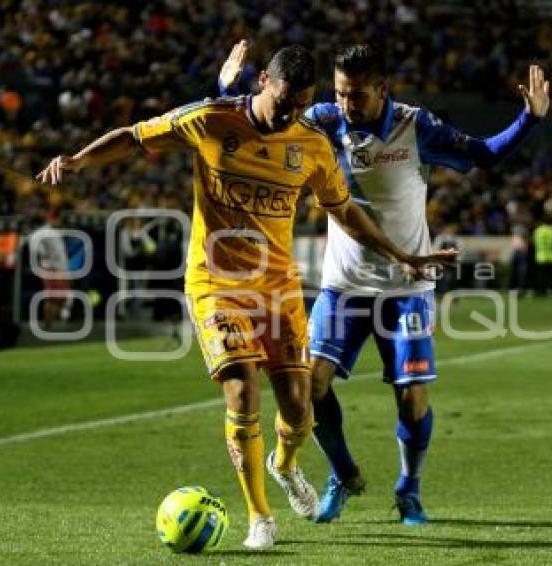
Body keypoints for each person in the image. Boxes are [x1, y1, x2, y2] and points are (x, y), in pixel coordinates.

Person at [36, 45, 453, 549]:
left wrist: (402, 255)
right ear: (261, 83)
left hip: (276, 286)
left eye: (300, 105)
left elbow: (346, 213)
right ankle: (261, 518)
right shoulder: (212, 120)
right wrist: (78, 160)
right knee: (242, 391)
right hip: (216, 283)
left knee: (300, 407)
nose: (289, 114)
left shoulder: (312, 144)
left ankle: (286, 462)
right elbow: (134, 137)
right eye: (282, 102)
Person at [219, 41, 549, 524]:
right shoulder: (324, 121)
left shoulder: (418, 127)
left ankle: (408, 489)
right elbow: (258, 122)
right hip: (343, 286)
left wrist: (530, 120)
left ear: (382, 89)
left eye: (356, 95)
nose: (346, 104)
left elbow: (484, 155)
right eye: (339, 93)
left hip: (406, 287)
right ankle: (342, 472)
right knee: (311, 386)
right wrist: (226, 87)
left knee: (412, 396)